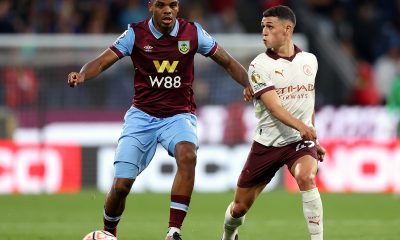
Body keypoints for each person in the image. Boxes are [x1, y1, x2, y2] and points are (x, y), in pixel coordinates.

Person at [67, 1, 249, 240]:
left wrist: (248, 83)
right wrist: (82, 75)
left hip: (179, 115)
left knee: (188, 155)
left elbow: (226, 61)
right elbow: (102, 61)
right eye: (161, 5)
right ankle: (109, 233)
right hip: (142, 116)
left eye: (173, 5)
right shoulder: (135, 34)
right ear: (151, 6)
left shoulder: (192, 33)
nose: (168, 10)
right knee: (121, 186)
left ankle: (173, 231)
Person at [220, 5, 326, 240]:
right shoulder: (259, 65)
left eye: (270, 27)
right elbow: (274, 107)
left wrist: (312, 137)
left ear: (287, 29)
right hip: (267, 144)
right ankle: (228, 235)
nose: (264, 32)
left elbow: (308, 104)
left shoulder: (310, 60)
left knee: (307, 178)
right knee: (239, 208)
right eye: (262, 27)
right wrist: (303, 127)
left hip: (297, 143)